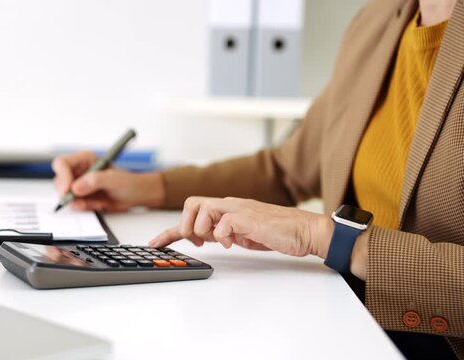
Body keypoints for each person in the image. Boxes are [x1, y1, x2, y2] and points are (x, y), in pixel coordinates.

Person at [52, 0, 464, 358]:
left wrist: (326, 237)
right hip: (345, 318)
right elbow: (286, 169)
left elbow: (314, 225)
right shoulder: (376, 23)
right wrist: (142, 187)